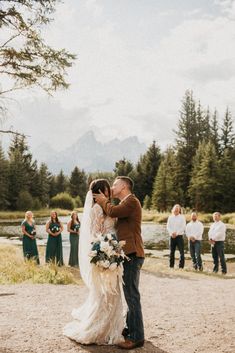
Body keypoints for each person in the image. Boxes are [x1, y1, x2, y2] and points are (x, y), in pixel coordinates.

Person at [63, 179, 124, 345]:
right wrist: (105, 250)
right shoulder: (96, 208)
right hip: (105, 251)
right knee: (104, 292)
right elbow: (95, 234)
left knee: (114, 291)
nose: (108, 192)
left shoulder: (108, 206)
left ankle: (112, 327)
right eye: (105, 190)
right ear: (98, 192)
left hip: (114, 251)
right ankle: (98, 328)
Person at [94, 176, 145, 350]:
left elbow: (113, 211)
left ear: (123, 186)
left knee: (132, 295)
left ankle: (137, 337)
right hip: (128, 253)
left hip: (132, 253)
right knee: (130, 293)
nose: (112, 187)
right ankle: (131, 329)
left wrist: (102, 201)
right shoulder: (127, 202)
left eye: (115, 185)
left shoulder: (131, 201)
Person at [167, 204, 186, 269]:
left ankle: (181, 267)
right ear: (173, 210)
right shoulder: (170, 217)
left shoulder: (182, 217)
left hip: (179, 237)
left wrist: (176, 233)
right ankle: (171, 266)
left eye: (177, 209)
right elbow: (168, 226)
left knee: (181, 252)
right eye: (175, 209)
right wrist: (172, 233)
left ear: (179, 210)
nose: (176, 210)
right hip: (171, 237)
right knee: (171, 252)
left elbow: (183, 227)